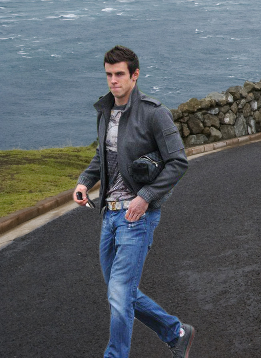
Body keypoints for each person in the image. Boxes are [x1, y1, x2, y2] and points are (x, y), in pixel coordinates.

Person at [74, 45, 195, 358]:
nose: (113, 81)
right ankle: (176, 332)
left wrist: (146, 197)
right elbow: (102, 157)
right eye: (109, 75)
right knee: (121, 292)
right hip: (109, 216)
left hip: (136, 217)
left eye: (119, 74)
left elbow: (178, 162)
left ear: (135, 75)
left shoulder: (154, 113)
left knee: (119, 294)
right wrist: (84, 183)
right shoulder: (105, 112)